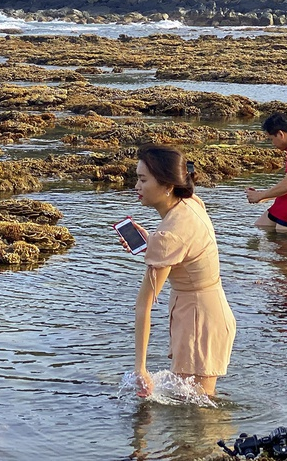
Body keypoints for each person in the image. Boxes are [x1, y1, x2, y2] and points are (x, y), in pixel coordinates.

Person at [121, 145, 236, 398]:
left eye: (142, 179)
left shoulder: (168, 236)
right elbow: (186, 247)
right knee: (194, 411)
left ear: (167, 186)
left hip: (199, 322)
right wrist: (151, 243)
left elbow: (144, 305)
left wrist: (140, 368)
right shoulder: (191, 203)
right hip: (207, 312)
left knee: (197, 419)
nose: (136, 187)